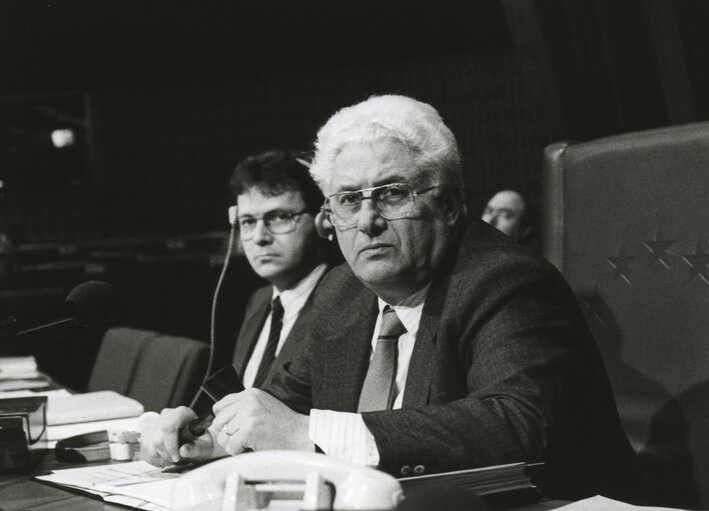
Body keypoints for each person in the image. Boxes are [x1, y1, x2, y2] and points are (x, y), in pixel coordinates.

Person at [141, 96, 639, 501]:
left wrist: (306, 435)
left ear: (446, 204)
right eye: (348, 200)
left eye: (392, 193)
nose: (367, 221)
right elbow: (279, 405)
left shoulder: (505, 280)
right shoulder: (342, 291)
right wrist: (210, 436)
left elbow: (513, 424)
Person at [140, 149, 332, 463]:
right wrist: (182, 433)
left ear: (322, 219)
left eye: (280, 217)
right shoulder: (258, 303)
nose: (259, 237)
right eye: (247, 222)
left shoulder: (343, 304)